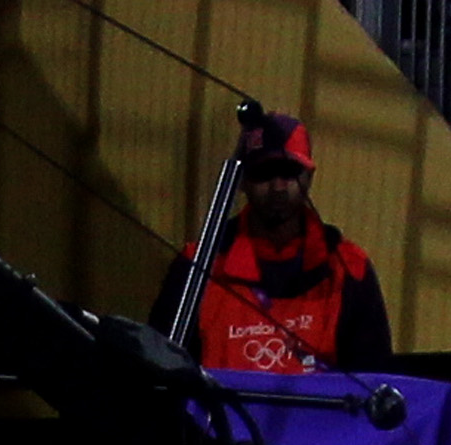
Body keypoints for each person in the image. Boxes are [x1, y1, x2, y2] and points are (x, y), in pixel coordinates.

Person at [167, 115, 390, 376]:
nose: (278, 187)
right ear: (242, 181)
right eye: (264, 173)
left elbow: (376, 384)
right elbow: (166, 379)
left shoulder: (349, 266)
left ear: (309, 177)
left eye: (289, 172)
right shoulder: (198, 263)